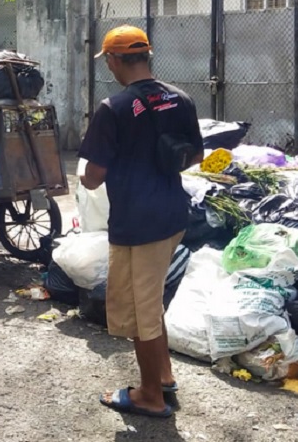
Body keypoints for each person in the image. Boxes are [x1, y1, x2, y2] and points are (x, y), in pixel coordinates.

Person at [78, 25, 203, 419]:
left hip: (138, 224)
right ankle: (162, 375)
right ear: (146, 56)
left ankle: (150, 394)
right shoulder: (179, 99)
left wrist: (85, 177)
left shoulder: (113, 109)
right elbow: (195, 156)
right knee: (149, 303)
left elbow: (93, 176)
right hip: (172, 216)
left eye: (109, 61)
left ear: (115, 60)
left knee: (140, 309)